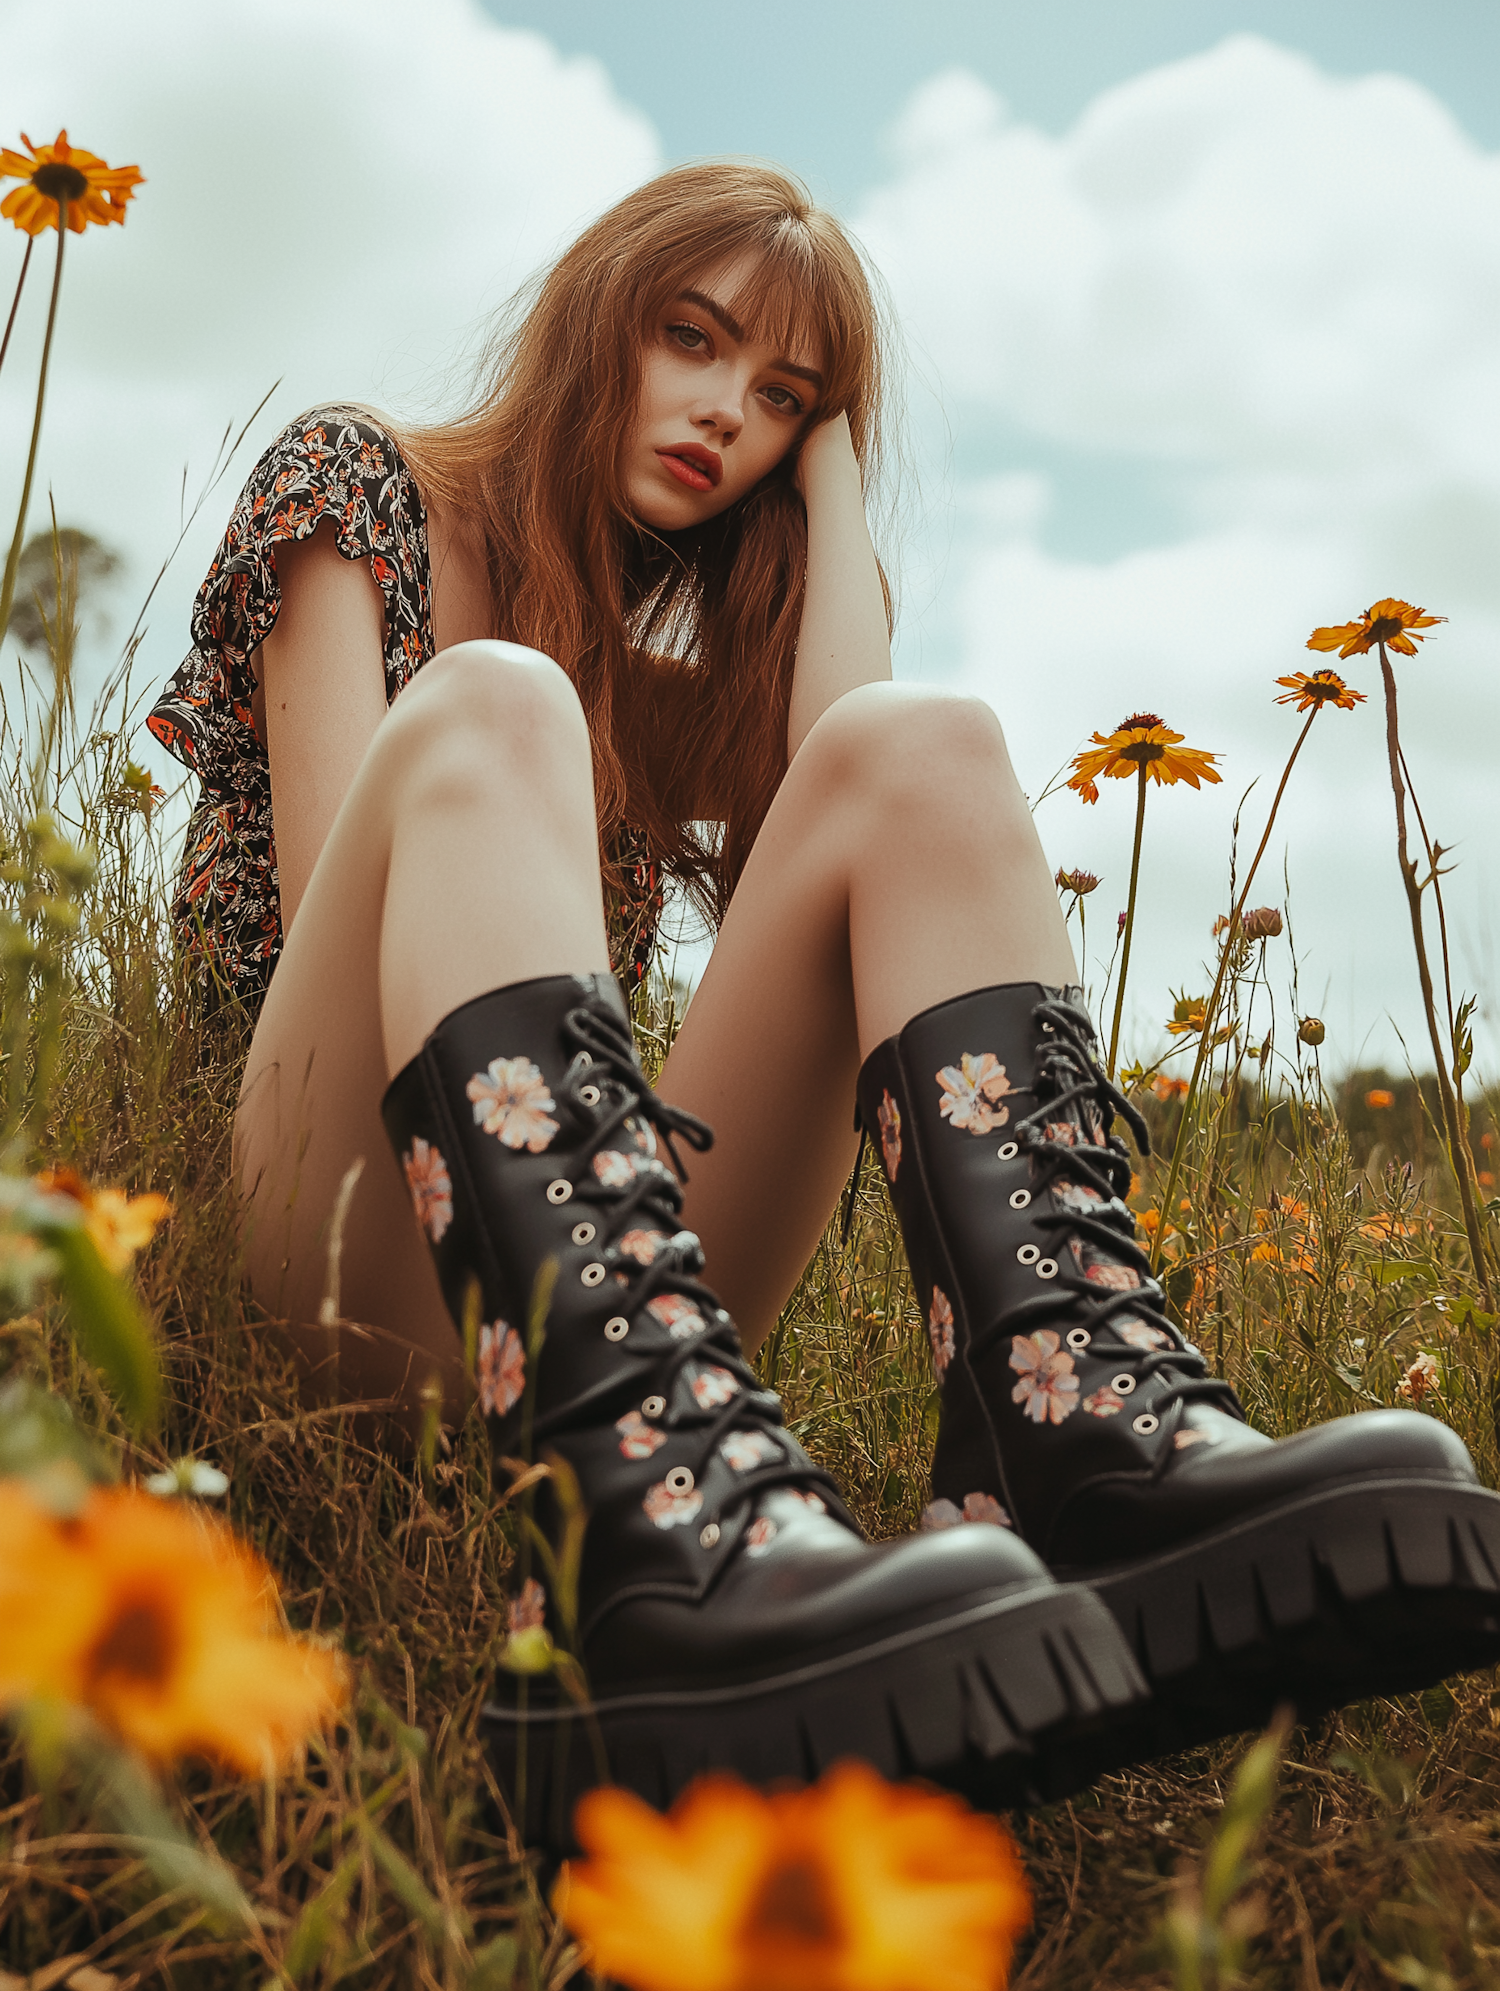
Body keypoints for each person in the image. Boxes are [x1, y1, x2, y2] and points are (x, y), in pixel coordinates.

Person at [148, 162, 1500, 1842]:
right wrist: (539, 695)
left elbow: (844, 753)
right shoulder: (356, 488)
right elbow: (325, 923)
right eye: (692, 341)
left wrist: (835, 471)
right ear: (599, 324)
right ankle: (626, 1582)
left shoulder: (637, 657)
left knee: (924, 745)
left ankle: (1075, 1447)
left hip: (590, 1307)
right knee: (493, 703)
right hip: (343, 1225)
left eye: (779, 397)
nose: (727, 414)